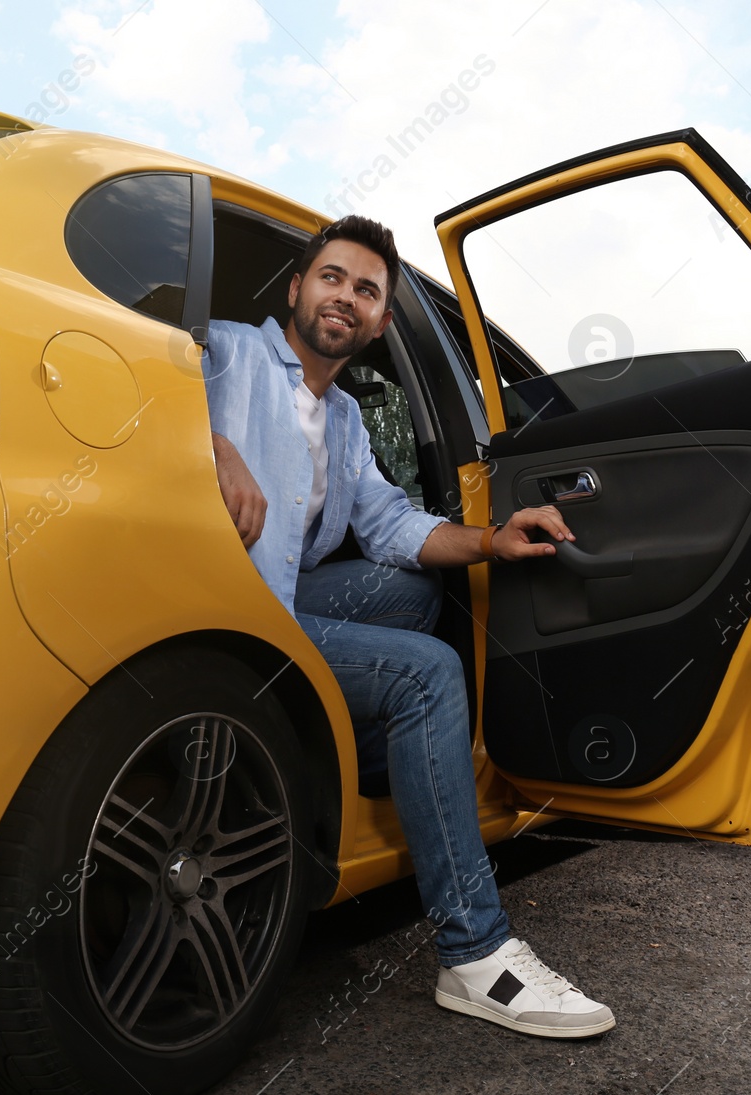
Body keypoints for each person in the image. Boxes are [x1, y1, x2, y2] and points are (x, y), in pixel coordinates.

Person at [202, 214, 614, 1038]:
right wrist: (209, 443)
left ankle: (393, 766)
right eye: (332, 278)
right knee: (427, 669)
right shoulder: (226, 353)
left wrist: (495, 539)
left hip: (284, 597)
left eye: (366, 290)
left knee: (417, 588)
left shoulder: (347, 422)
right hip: (227, 614)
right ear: (296, 289)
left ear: (382, 321)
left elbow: (391, 524)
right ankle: (475, 951)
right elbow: (133, 369)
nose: (344, 297)